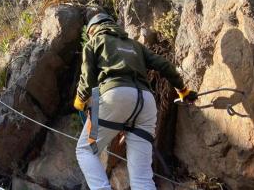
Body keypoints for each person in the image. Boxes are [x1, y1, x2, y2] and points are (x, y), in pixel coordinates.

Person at [74, 11, 197, 190]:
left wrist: (79, 101)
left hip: (114, 97)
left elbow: (88, 82)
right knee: (142, 179)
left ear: (92, 30)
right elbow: (164, 66)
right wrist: (183, 91)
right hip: (146, 103)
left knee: (86, 149)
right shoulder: (135, 45)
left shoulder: (94, 42)